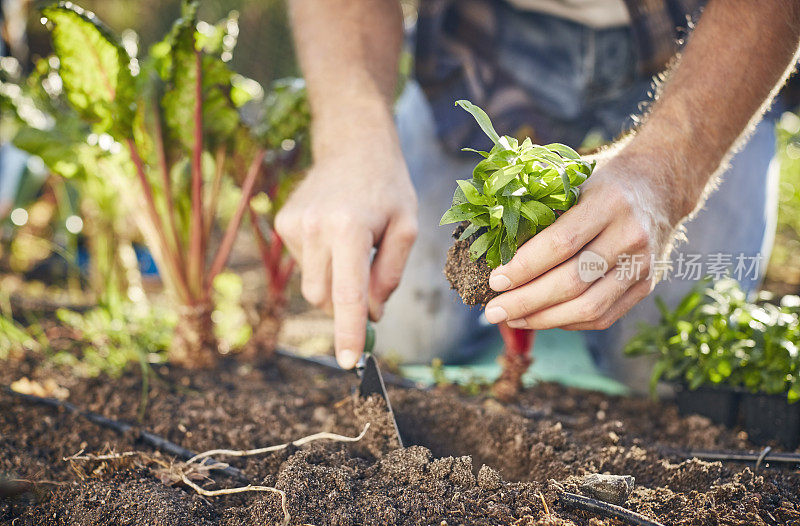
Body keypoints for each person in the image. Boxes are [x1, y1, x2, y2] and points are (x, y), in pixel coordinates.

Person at [276, 0, 800, 391]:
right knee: (412, 334)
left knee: (662, 372)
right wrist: (351, 135)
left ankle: (562, 287)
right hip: (483, 40)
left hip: (706, 40)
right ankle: (539, 313)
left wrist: (669, 172)